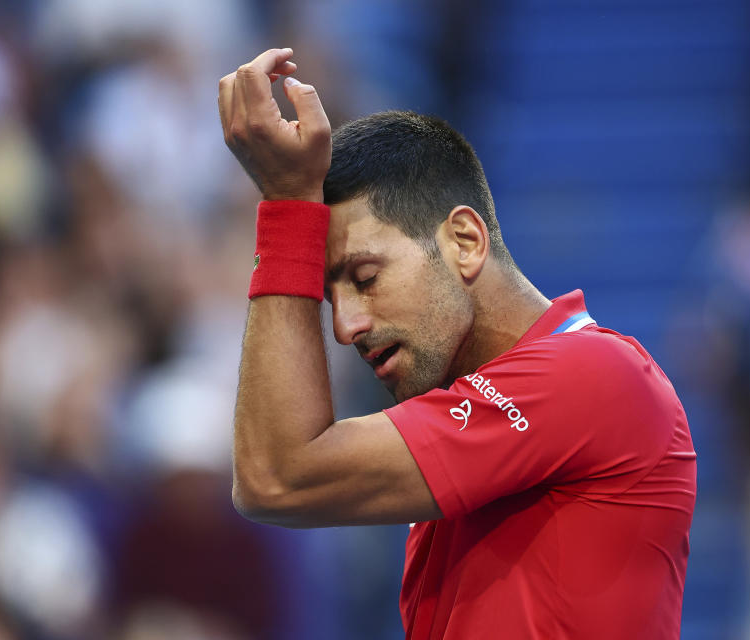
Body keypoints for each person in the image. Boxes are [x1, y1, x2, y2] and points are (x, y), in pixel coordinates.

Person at [217, 48, 697, 640]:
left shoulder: (594, 373)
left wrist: (289, 205)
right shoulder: (458, 447)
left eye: (365, 279)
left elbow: (277, 475)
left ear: (465, 241)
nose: (345, 327)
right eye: (328, 297)